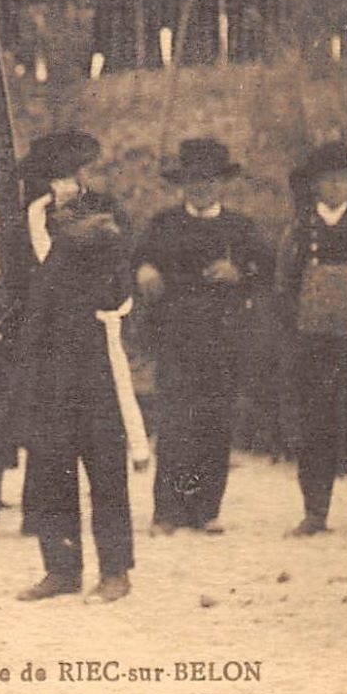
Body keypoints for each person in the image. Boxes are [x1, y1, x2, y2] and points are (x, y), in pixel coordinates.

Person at [14, 130, 145, 603]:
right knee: (50, 464)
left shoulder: (105, 212)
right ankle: (61, 569)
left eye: (77, 170)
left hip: (92, 349)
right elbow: (22, 282)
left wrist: (74, 230)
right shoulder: (26, 219)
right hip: (45, 354)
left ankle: (116, 569)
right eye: (59, 173)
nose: (69, 181)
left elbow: (116, 278)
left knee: (104, 462)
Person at [135, 139, 273, 534]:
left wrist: (239, 275)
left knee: (215, 424)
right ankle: (168, 511)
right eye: (194, 180)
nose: (201, 188)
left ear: (221, 184)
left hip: (222, 341)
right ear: (183, 184)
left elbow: (268, 273)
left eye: (209, 180)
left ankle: (205, 509)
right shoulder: (163, 224)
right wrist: (144, 270)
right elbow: (137, 259)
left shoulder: (240, 228)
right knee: (176, 426)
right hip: (176, 339)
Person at [281, 142, 347, 537]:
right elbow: (283, 285)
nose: (337, 187)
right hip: (313, 341)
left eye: (344, 180)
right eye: (329, 180)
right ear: (316, 185)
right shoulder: (300, 230)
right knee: (315, 424)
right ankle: (315, 512)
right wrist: (295, 329)